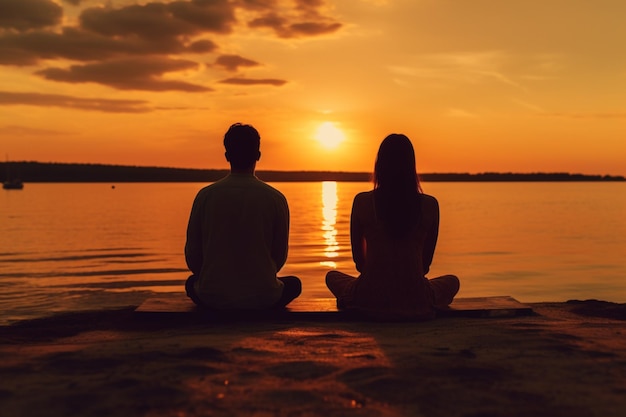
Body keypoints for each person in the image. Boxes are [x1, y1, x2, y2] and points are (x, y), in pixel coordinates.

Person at [325, 134, 459, 319]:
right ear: (411, 166)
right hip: (416, 299)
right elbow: (425, 265)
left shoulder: (362, 202)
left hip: (368, 298)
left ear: (379, 165)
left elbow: (359, 263)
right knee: (452, 282)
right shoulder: (430, 205)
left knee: (332, 277)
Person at [185, 123, 301, 310]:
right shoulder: (275, 198)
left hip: (212, 297)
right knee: (295, 284)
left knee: (191, 283)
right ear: (258, 155)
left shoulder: (205, 196)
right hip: (263, 297)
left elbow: (193, 256)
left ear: (227, 156)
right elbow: (279, 257)